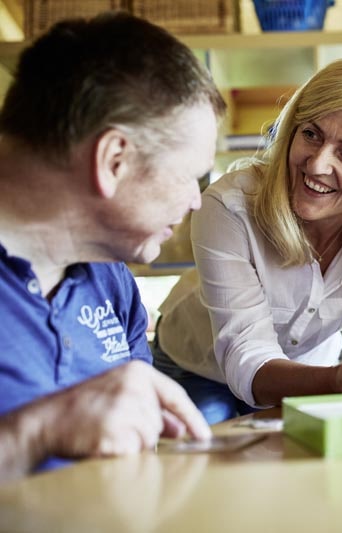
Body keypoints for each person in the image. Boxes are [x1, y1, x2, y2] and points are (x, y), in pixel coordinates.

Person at [154, 58, 342, 423]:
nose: (316, 165)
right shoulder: (229, 207)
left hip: (309, 371)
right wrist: (336, 381)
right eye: (311, 134)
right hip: (195, 364)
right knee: (206, 442)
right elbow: (246, 353)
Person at [0, 12, 225, 481]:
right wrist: (36, 432)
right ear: (113, 159)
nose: (196, 200)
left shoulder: (111, 279)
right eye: (190, 176)